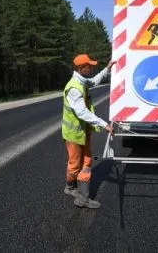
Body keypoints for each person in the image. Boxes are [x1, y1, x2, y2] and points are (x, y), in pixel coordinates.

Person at [62, 53, 116, 209]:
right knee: (78, 164)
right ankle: (80, 196)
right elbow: (82, 113)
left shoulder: (82, 81)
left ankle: (71, 187)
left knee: (83, 162)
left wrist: (107, 69)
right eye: (88, 66)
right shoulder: (74, 88)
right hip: (74, 133)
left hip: (81, 131)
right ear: (80, 68)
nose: (91, 68)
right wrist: (104, 124)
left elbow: (93, 81)